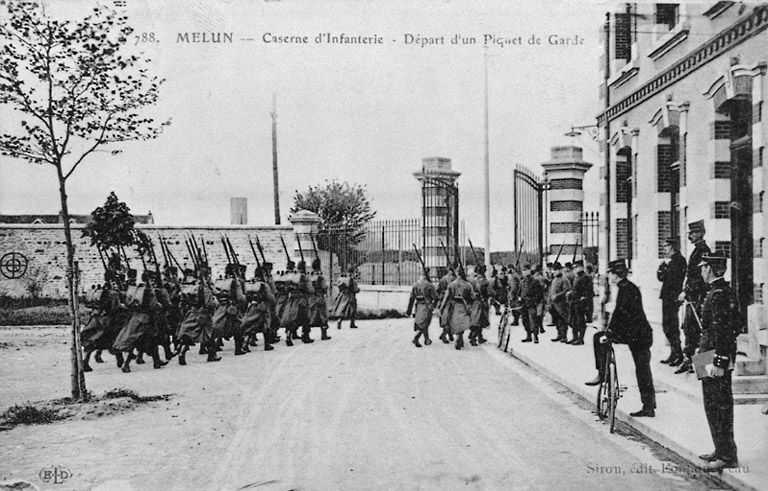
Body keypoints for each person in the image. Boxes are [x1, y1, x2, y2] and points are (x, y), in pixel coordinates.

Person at [585, 259, 656, 418]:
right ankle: (648, 404)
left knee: (642, 370)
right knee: (642, 370)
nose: (608, 276)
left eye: (609, 273)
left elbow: (620, 314)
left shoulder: (625, 289)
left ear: (615, 274)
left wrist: (609, 333)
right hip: (635, 334)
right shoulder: (626, 287)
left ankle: (648, 406)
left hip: (637, 335)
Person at [697, 251, 739, 471]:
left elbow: (723, 331)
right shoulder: (717, 291)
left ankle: (726, 455)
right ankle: (719, 449)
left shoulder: (718, 294)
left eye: (703, 267)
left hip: (714, 356)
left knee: (719, 405)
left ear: (710, 268)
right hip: (707, 354)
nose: (701, 271)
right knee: (712, 405)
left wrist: (720, 362)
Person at [676, 220, 712, 374]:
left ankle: (696, 363)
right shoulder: (697, 250)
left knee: (696, 329)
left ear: (699, 233)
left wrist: (688, 291)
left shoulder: (703, 250)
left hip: (698, 297)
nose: (689, 236)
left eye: (691, 233)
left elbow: (699, 278)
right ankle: (689, 360)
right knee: (689, 328)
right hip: (693, 297)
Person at [657, 238, 687, 366]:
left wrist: (665, 267)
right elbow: (660, 277)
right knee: (667, 326)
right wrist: (663, 266)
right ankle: (674, 353)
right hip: (667, 297)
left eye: (667, 246)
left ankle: (678, 354)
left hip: (673, 297)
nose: (665, 249)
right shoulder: (668, 262)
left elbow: (672, 278)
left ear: (673, 247)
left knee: (671, 326)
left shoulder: (679, 261)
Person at [438, 266, 474, 350]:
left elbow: (446, 297)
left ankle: (458, 338)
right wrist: (470, 305)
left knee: (454, 322)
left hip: (453, 305)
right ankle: (459, 338)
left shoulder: (451, 284)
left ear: (457, 273)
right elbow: (472, 297)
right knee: (462, 322)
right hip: (463, 305)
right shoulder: (467, 285)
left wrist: (442, 308)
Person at [406, 267, 437, 347]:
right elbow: (436, 297)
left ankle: (427, 339)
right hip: (426, 305)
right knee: (424, 323)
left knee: (422, 323)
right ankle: (416, 338)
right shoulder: (429, 285)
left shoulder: (416, 284)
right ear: (428, 274)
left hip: (418, 305)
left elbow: (411, 298)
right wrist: (433, 306)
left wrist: (409, 311)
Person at [566, 260, 593, 345]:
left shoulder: (585, 277)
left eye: (576, 267)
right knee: (573, 320)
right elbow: (575, 288)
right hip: (574, 302)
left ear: (581, 267)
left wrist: (583, 299)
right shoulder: (577, 277)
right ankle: (575, 337)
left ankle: (580, 339)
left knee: (580, 321)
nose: (574, 269)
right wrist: (570, 292)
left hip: (580, 303)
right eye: (574, 268)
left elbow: (588, 291)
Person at [468, 264, 493, 346]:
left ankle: (480, 337)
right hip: (482, 303)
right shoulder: (485, 281)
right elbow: (490, 292)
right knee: (480, 321)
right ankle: (473, 337)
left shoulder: (471, 280)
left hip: (473, 302)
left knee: (476, 320)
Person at [307, 258, 332, 341]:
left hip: (311, 298)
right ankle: (323, 334)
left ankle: (306, 334)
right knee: (323, 316)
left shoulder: (309, 276)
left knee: (310, 316)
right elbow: (324, 287)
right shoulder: (320, 277)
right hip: (319, 297)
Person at [548, 263, 571, 342]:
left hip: (561, 304)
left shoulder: (564, 279)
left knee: (563, 320)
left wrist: (557, 296)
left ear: (560, 270)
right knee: (557, 320)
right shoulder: (554, 279)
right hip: (554, 304)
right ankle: (559, 335)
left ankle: (564, 336)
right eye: (553, 270)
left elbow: (566, 291)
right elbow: (551, 291)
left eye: (556, 270)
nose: (554, 271)